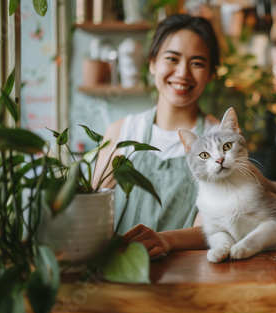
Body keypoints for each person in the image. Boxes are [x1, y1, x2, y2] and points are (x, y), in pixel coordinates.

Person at [93, 14, 221, 260]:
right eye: (172, 58)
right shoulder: (123, 132)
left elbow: (212, 230)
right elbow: (92, 208)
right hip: (118, 273)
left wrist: (165, 240)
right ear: (152, 64)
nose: (182, 72)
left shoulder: (218, 142)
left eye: (197, 63)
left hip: (186, 279)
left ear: (211, 74)